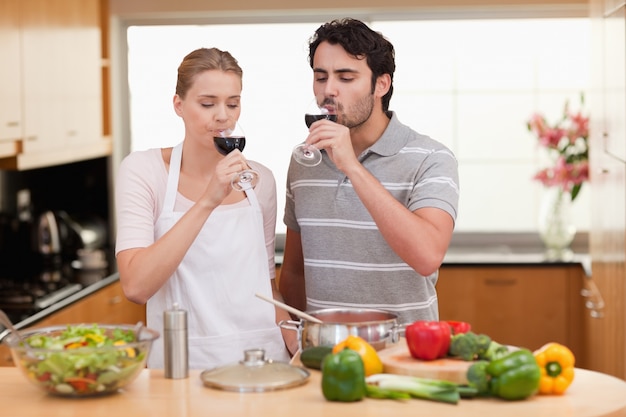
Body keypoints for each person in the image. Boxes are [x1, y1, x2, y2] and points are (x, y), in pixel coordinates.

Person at [115, 47, 295, 370]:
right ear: (179, 105)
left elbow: (267, 288)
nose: (223, 116)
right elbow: (136, 286)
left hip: (264, 364)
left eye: (233, 103)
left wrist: (298, 343)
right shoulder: (144, 171)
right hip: (182, 365)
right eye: (208, 103)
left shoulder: (261, 181)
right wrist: (209, 199)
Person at [279, 18, 460, 324]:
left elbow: (427, 256)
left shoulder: (431, 157)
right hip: (325, 353)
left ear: (381, 84)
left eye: (346, 78)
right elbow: (295, 271)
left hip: (406, 354)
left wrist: (351, 166)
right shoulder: (304, 161)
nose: (328, 91)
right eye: (321, 77)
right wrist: (299, 341)